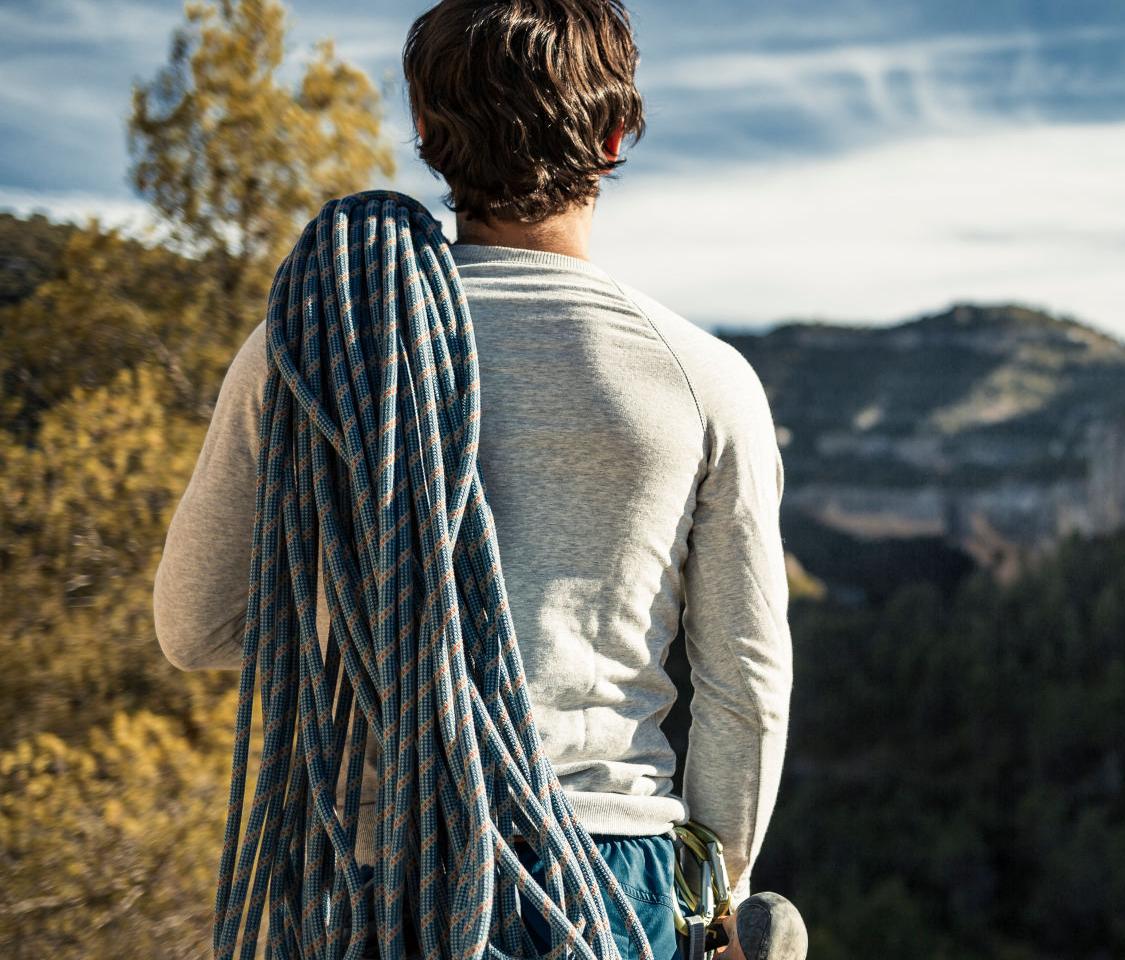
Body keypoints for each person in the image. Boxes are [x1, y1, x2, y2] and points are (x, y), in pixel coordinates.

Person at [151, 1, 800, 956]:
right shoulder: (703, 379)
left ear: (428, 136)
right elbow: (745, 681)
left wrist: (384, 635)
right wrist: (718, 897)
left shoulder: (316, 349)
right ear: (617, 135)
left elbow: (194, 625)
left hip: (375, 876)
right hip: (607, 881)